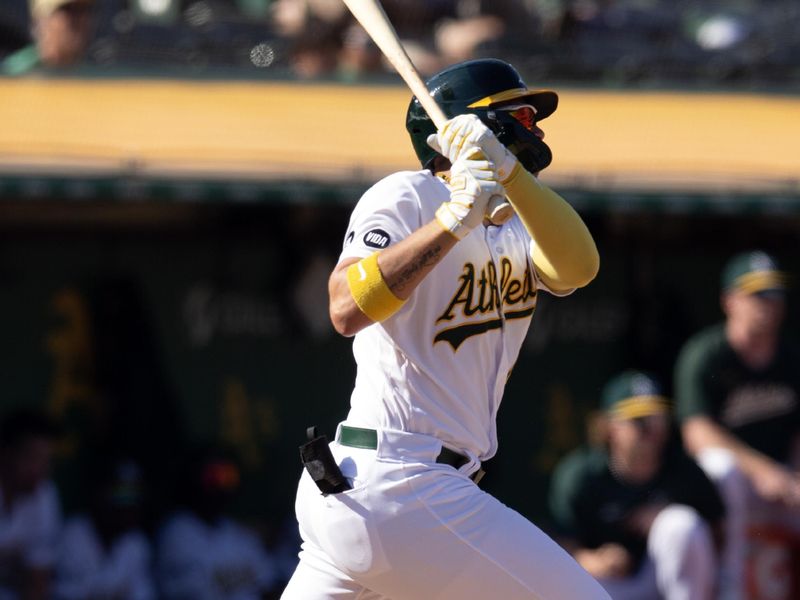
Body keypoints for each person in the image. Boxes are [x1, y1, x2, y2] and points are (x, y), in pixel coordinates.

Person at [282, 58, 608, 599]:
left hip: (385, 490)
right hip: (402, 478)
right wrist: (453, 220)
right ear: (473, 121)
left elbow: (578, 268)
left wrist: (507, 173)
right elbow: (344, 308)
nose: (537, 129)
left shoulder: (517, 221)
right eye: (523, 114)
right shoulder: (408, 195)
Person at [674, 250, 800, 597]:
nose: (768, 304)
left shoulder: (791, 357)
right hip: (733, 490)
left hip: (784, 484)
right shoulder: (706, 354)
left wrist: (792, 474)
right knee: (722, 468)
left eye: (774, 295)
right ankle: (731, 587)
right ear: (729, 301)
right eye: (757, 294)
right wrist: (763, 471)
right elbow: (696, 434)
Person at [549, 370, 725, 600]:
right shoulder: (582, 475)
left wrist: (666, 515)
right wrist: (595, 561)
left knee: (681, 524)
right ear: (609, 427)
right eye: (638, 420)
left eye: (657, 416)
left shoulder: (683, 470)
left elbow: (719, 533)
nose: (651, 427)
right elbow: (558, 549)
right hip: (609, 588)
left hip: (664, 585)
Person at [155, 444, 281, 600]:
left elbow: (270, 585)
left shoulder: (237, 534)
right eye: (213, 477)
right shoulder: (175, 535)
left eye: (228, 477)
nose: (221, 485)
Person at [53, 456, 156, 600]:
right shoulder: (72, 535)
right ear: (100, 493)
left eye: (134, 495)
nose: (129, 504)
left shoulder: (137, 543)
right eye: (121, 494)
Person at [0, 408, 62, 600]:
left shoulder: (45, 494)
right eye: (33, 458)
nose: (41, 470)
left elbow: (38, 581)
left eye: (46, 461)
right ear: (6, 454)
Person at [1, 0, 95, 76]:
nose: (79, 19)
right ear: (40, 19)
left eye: (84, 9)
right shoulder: (11, 75)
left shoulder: (99, 72)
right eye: (68, 10)